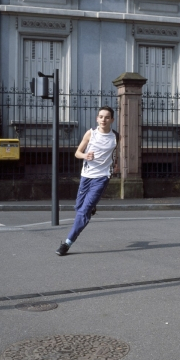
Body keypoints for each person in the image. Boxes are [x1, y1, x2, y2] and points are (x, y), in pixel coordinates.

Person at [56, 106, 118, 256]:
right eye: (101, 117)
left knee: (83, 211)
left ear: (112, 120)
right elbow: (77, 152)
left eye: (107, 117)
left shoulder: (116, 136)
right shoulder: (90, 133)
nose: (104, 119)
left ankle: (67, 243)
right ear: (97, 118)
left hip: (102, 177)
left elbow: (118, 154)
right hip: (86, 176)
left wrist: (116, 166)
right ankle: (91, 208)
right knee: (78, 207)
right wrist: (85, 156)